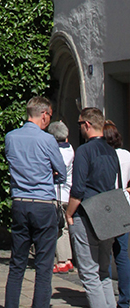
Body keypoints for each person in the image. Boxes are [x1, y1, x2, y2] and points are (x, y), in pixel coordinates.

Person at [4, 97, 66, 308]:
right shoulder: (47, 140)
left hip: (20, 202)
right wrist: (50, 177)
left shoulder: (11, 137)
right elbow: (62, 172)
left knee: (17, 263)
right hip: (43, 204)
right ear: (44, 114)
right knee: (43, 265)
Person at [67, 108, 119, 308]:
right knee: (103, 271)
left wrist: (69, 214)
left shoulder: (84, 150)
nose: (79, 127)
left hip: (86, 213)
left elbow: (78, 188)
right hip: (107, 213)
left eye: (79, 123)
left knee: (89, 273)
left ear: (87, 125)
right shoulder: (111, 151)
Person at [105, 120, 130, 308]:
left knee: (104, 254)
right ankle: (125, 299)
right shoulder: (127, 155)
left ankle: (105, 298)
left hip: (105, 204)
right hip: (123, 203)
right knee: (122, 254)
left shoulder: (102, 155)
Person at [49, 121, 75, 274]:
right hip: (68, 193)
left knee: (57, 228)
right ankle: (68, 259)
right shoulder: (70, 149)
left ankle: (62, 261)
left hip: (58, 193)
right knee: (64, 227)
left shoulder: (57, 152)